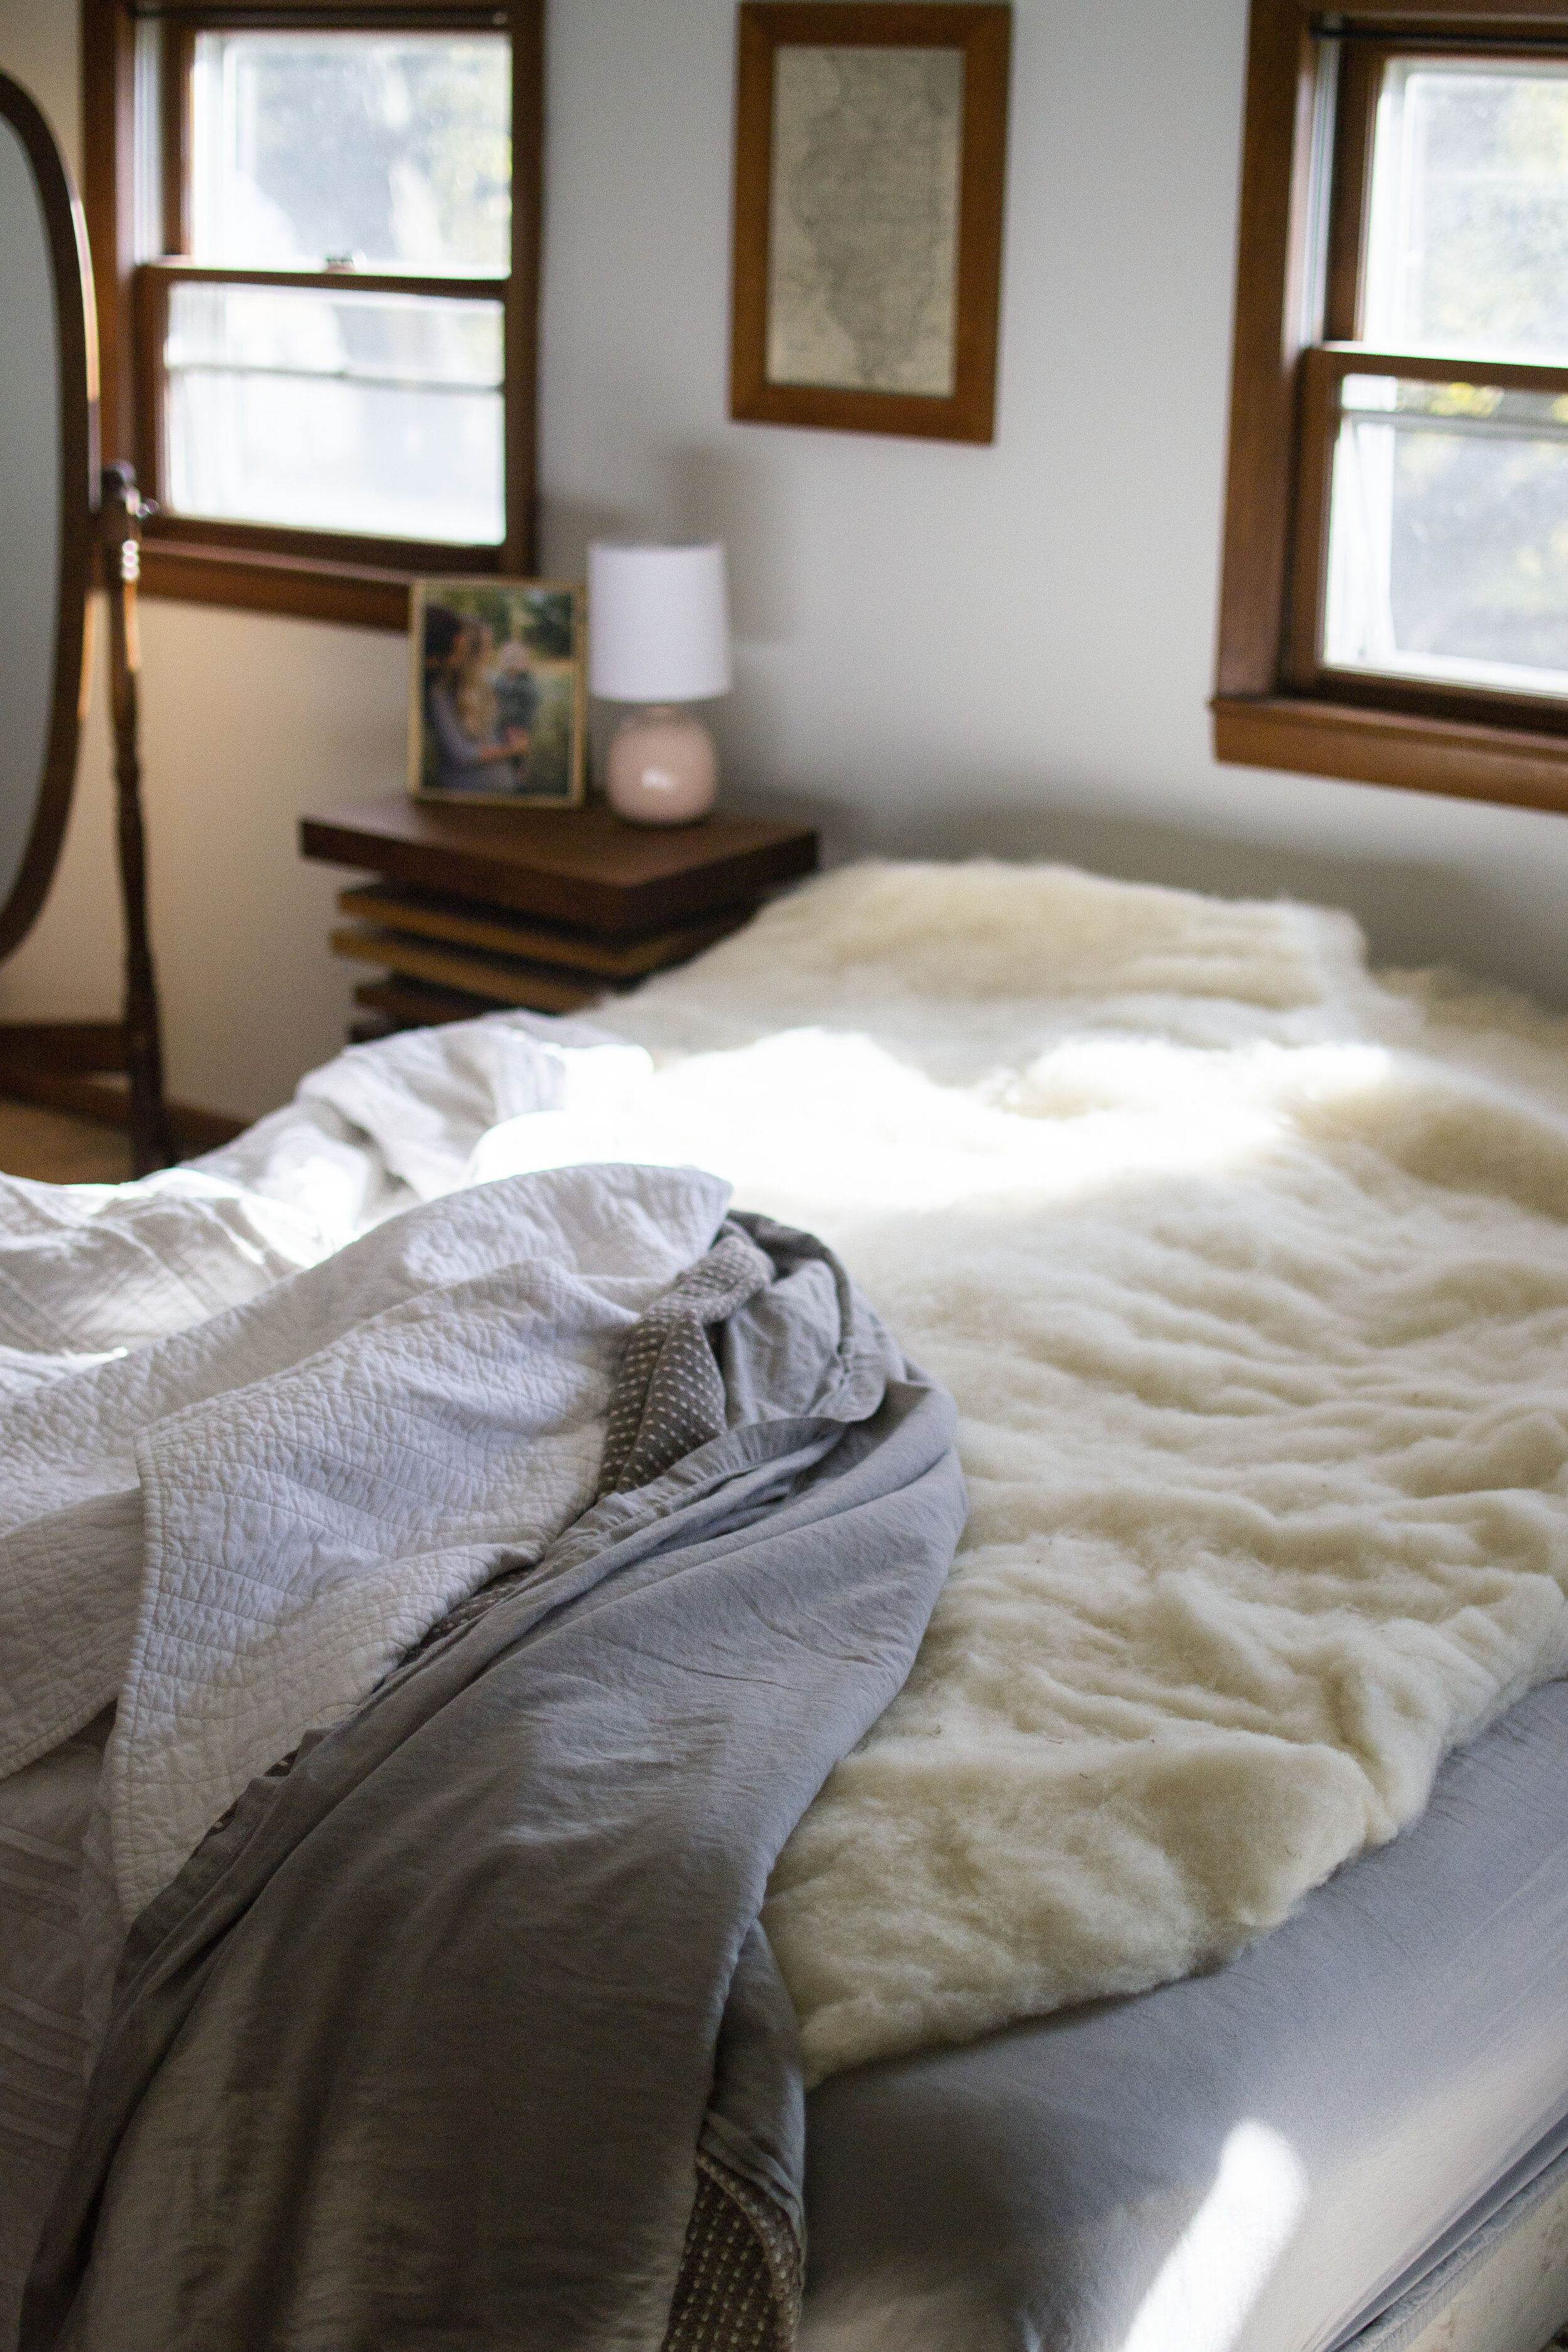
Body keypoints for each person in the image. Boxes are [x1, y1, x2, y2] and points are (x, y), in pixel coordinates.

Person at [421, 606, 530, 793]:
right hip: (466, 794)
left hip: (506, 787)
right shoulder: (440, 695)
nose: (491, 652)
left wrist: (511, 737)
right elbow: (462, 755)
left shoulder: (488, 687)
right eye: (487, 646)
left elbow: (493, 737)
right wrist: (511, 749)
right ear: (469, 651)